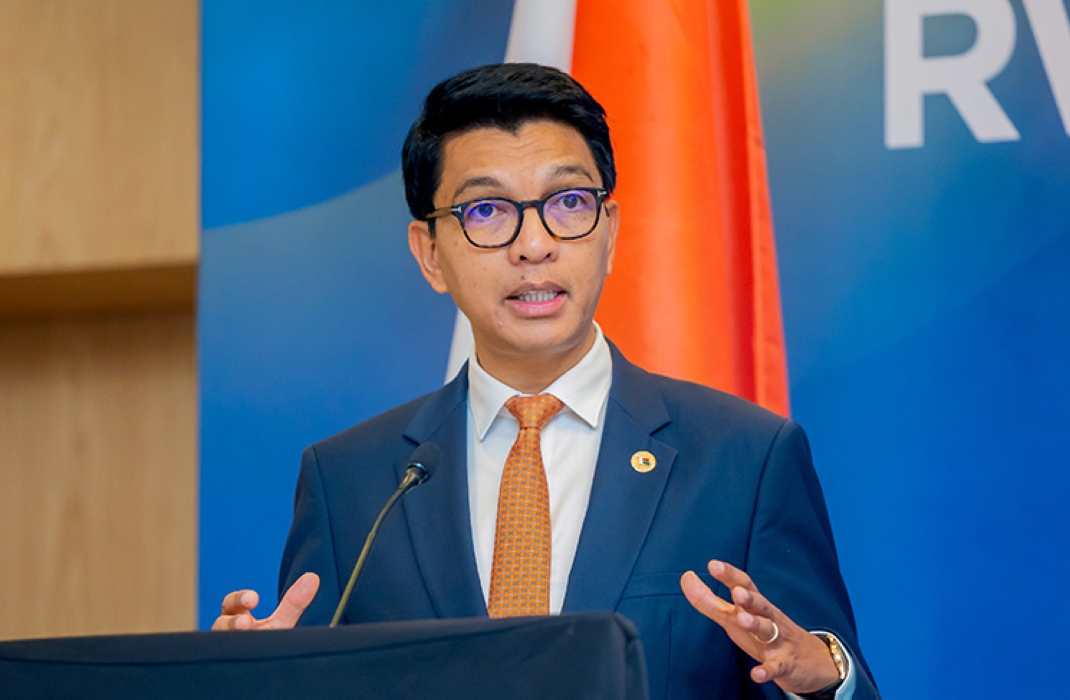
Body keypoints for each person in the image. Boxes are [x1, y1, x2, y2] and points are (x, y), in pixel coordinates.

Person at [213, 63, 879, 700]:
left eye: (566, 202)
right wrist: (254, 683)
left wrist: (820, 679)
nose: (533, 245)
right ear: (429, 254)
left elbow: (816, 672)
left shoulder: (742, 458)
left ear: (609, 233)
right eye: (486, 212)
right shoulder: (351, 482)